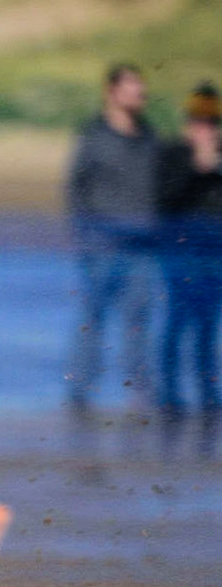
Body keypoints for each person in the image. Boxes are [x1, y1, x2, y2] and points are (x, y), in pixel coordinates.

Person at [64, 63, 160, 416]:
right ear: (112, 91)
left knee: (140, 323)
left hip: (143, 248)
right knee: (92, 320)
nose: (141, 94)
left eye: (142, 87)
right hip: (101, 246)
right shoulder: (93, 135)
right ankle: (79, 395)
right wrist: (84, 234)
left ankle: (141, 395)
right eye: (134, 86)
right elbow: (76, 186)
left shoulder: (150, 136)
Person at [157, 83, 222, 430]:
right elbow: (164, 201)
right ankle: (168, 395)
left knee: (208, 329)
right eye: (199, 122)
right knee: (177, 324)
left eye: (212, 123)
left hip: (215, 256)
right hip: (180, 254)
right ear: (188, 123)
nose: (206, 129)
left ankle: (209, 396)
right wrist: (198, 166)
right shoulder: (173, 154)